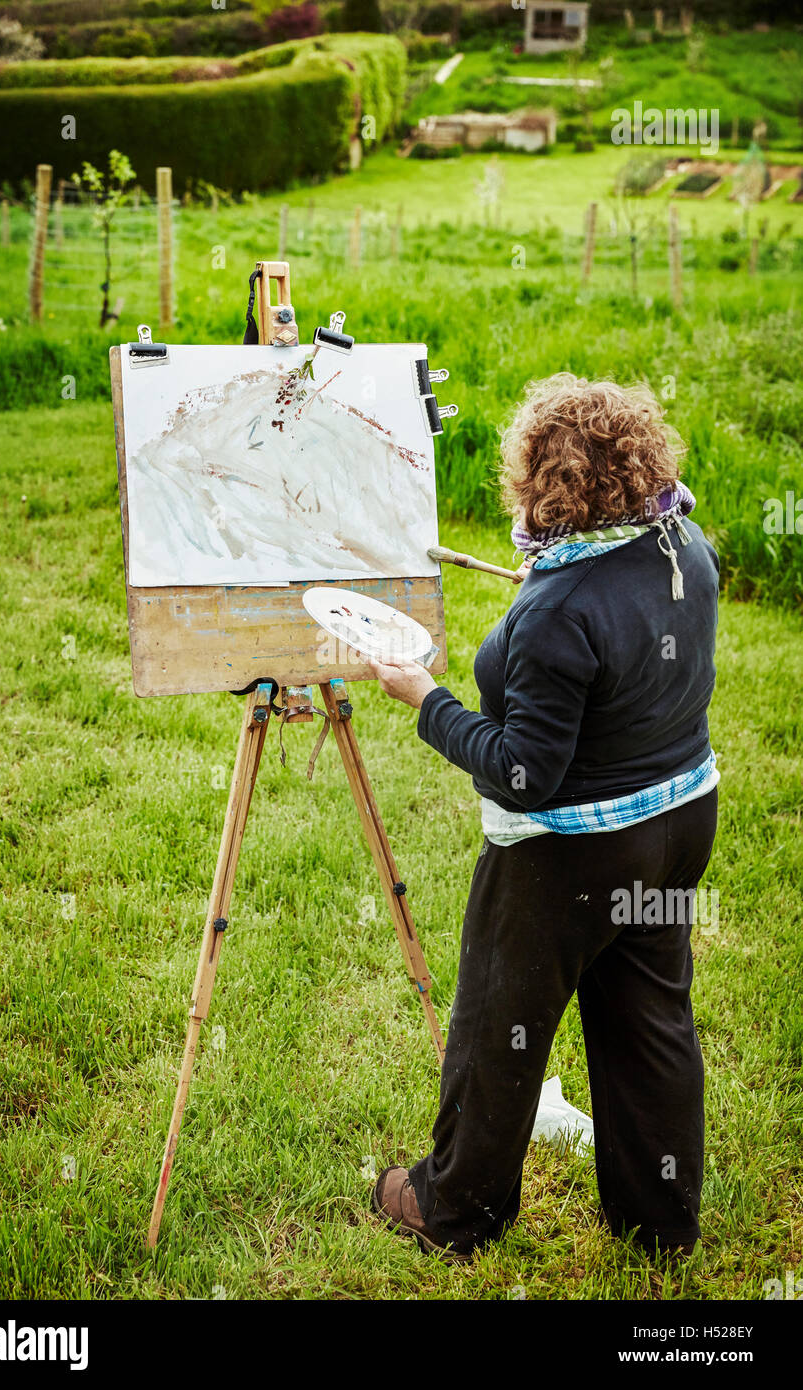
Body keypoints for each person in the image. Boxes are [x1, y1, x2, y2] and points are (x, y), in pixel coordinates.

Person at [367, 373, 720, 1262]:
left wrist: (426, 697)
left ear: (539, 482)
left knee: (498, 1028)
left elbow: (526, 773)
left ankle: (454, 1212)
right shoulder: (684, 542)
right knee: (650, 1020)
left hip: (571, 861)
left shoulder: (560, 608)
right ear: (638, 463)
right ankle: (661, 1223)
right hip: (680, 826)